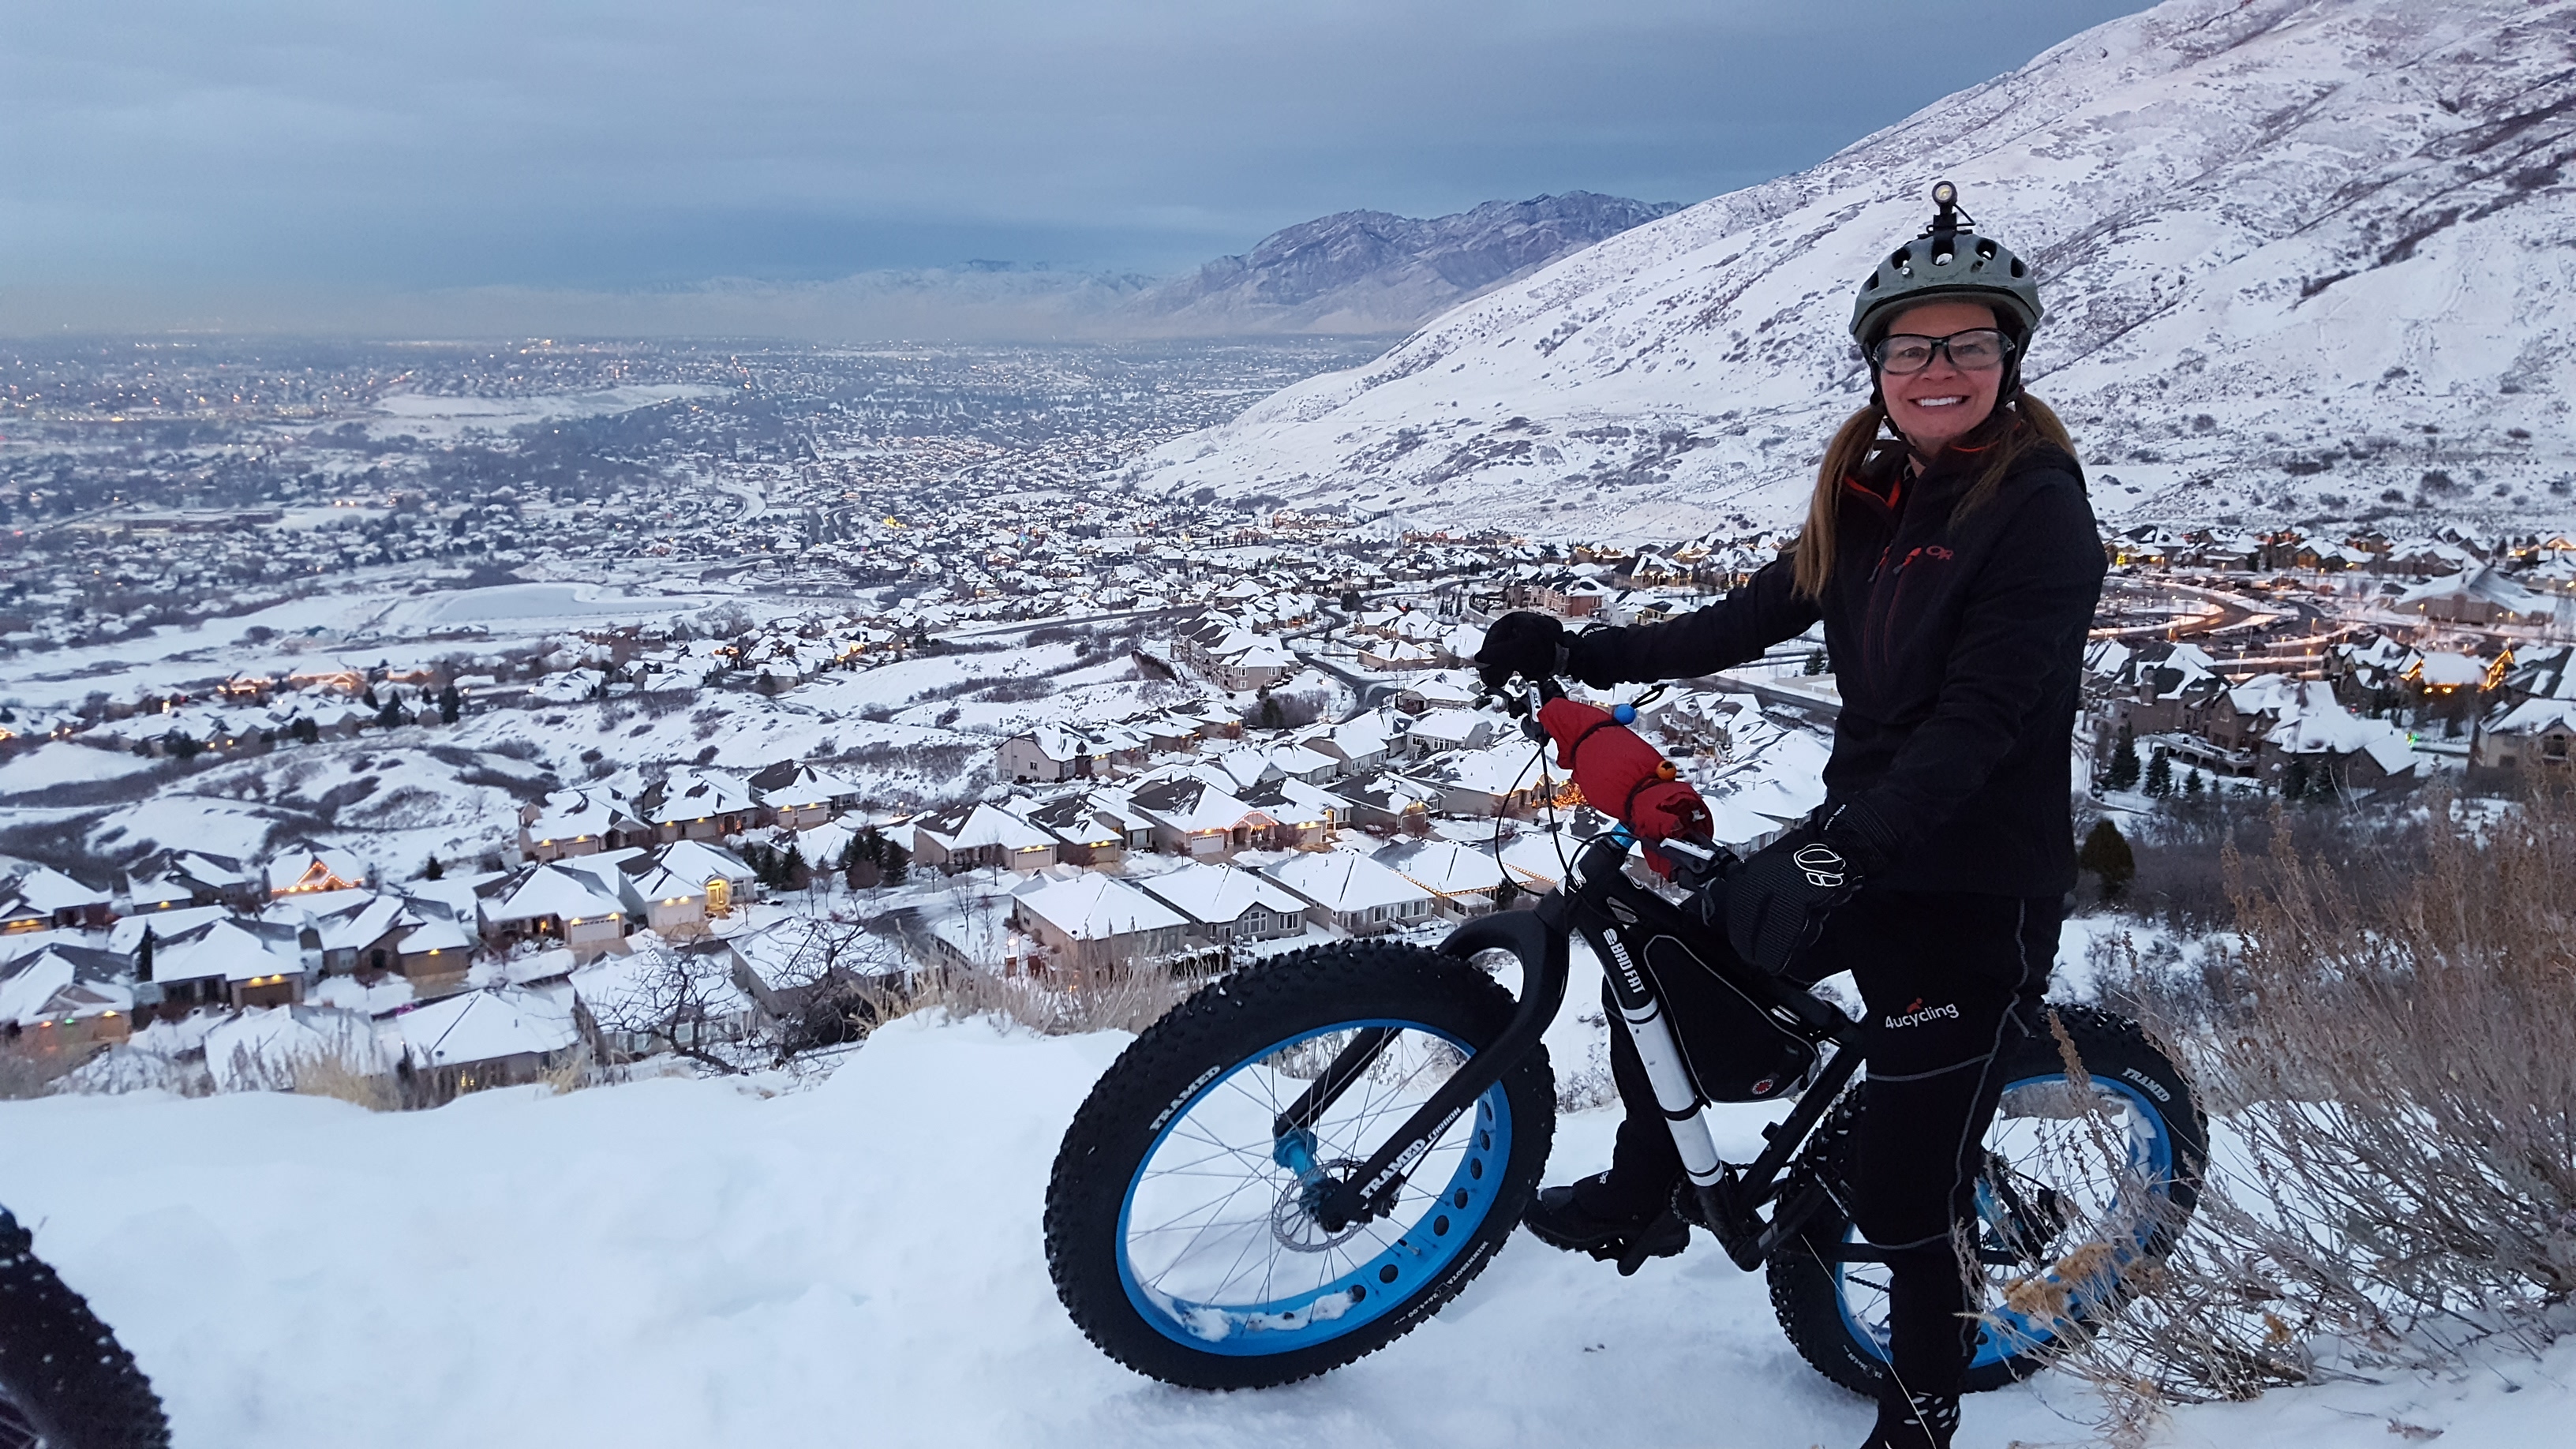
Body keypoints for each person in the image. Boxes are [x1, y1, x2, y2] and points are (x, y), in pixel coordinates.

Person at [1475, 183, 2104, 1449]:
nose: (1939, 367)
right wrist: (1582, 654)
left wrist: (1844, 847)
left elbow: (1981, 729)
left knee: (1903, 1198)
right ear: (1877, 366)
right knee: (1658, 951)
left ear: (2008, 359)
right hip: (1863, 846)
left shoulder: (2039, 512)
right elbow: (1748, 618)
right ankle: (1646, 1195)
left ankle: (1920, 1423)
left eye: (1967, 344)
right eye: (1912, 345)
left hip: (1972, 885)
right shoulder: (1868, 494)